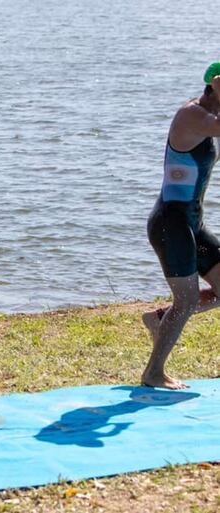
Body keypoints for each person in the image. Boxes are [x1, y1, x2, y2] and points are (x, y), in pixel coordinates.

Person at [142, 63, 220, 389]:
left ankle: (159, 320)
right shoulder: (190, 115)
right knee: (186, 301)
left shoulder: (208, 121)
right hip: (170, 224)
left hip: (193, 223)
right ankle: (153, 373)